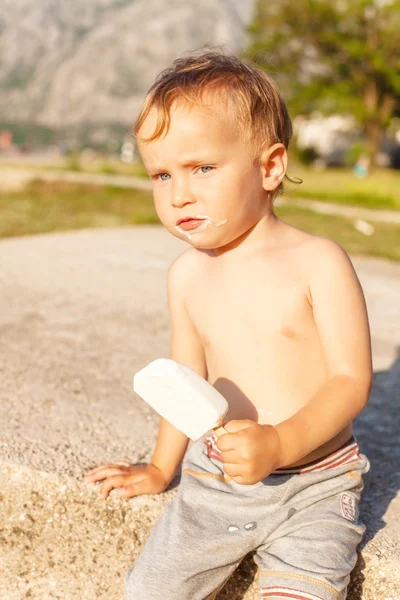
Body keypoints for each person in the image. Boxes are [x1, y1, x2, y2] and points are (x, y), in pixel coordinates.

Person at [85, 51, 372, 600]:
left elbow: (350, 380)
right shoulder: (187, 275)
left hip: (314, 482)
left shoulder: (318, 262)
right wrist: (160, 466)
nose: (179, 193)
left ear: (269, 167)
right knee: (148, 591)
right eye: (162, 174)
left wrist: (282, 442)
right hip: (216, 478)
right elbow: (185, 381)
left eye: (203, 168)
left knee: (303, 592)